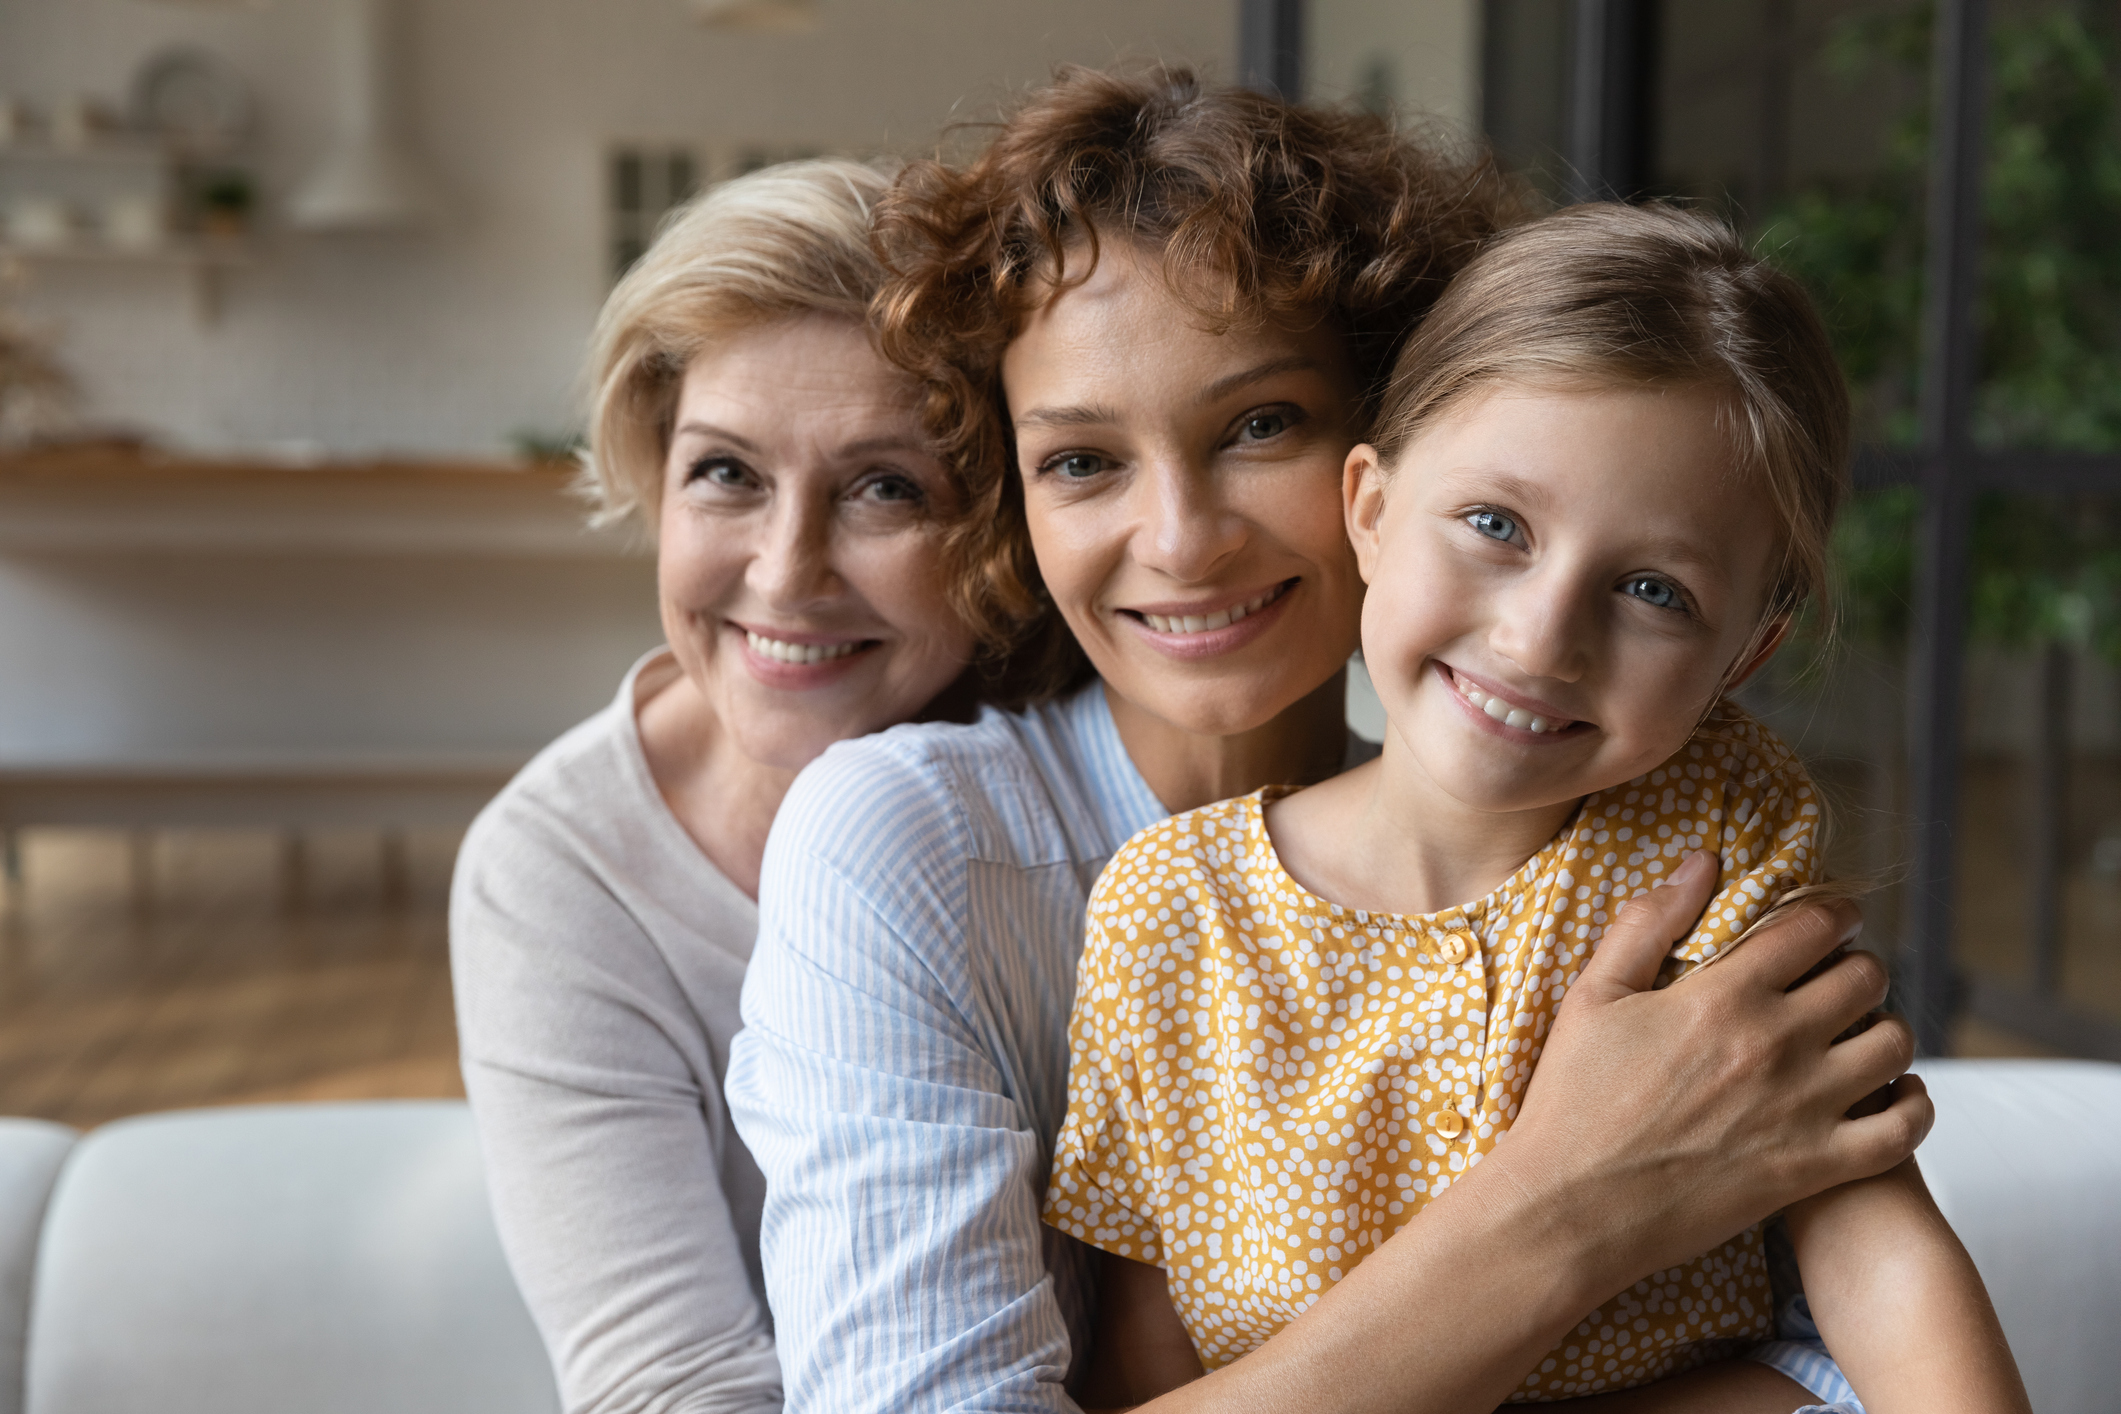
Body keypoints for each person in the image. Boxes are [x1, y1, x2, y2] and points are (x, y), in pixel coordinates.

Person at [725, 68, 1930, 1414]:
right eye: (1080, 460)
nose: (1179, 540)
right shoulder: (921, 848)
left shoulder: (1646, 830)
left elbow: (1845, 1350)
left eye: (1258, 425)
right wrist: (1570, 1200)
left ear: (1385, 446)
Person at [1044, 203, 2030, 1414]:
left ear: (1743, 654)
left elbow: (1876, 1246)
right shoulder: (1171, 911)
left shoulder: (1712, 835)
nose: (1540, 637)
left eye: (1653, 589)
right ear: (1368, 508)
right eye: (1496, 525)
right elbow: (1152, 1362)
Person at [450, 158, 990, 1414]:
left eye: (885, 487)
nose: (786, 571)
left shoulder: (1079, 772)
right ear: (655, 470)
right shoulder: (560, 868)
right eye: (727, 473)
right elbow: (670, 1388)